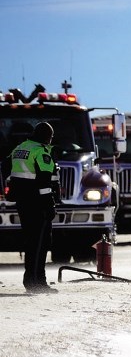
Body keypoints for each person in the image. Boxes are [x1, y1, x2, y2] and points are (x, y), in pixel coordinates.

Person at [7, 122, 58, 294]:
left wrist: (9, 190)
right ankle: (37, 282)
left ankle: (31, 280)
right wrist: (50, 206)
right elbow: (44, 183)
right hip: (38, 204)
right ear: (47, 137)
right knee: (41, 243)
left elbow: (5, 167)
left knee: (31, 242)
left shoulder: (21, 148)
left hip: (23, 203)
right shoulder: (41, 152)